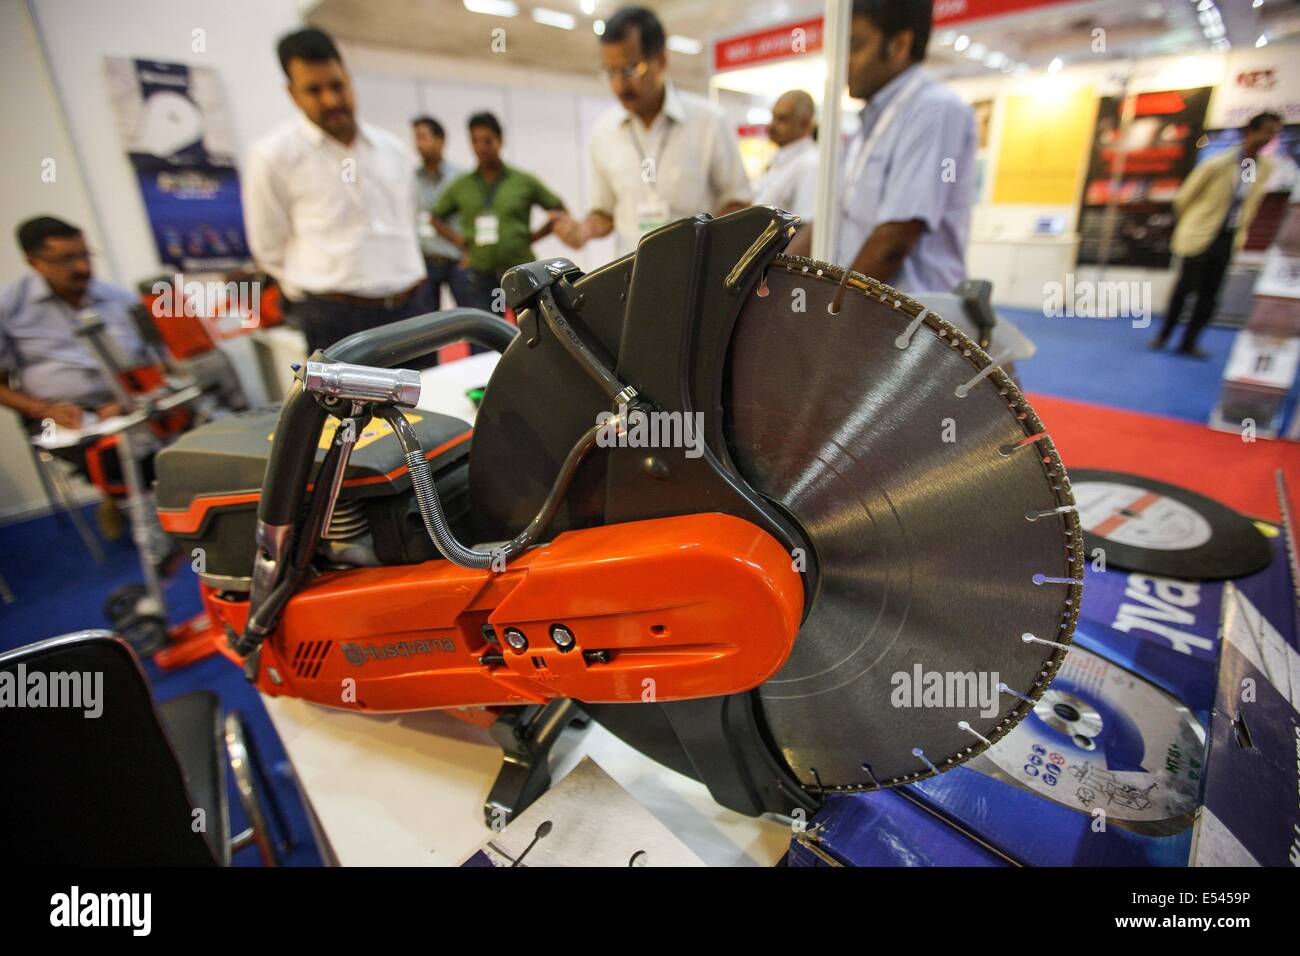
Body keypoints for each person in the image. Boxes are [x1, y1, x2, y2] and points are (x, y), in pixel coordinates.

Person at [244, 28, 428, 356]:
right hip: (336, 318)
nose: (331, 100)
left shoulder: (392, 150)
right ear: (292, 93)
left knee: (429, 403)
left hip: (410, 309)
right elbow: (268, 247)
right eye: (314, 90)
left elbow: (408, 219)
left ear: (348, 78)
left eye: (337, 85)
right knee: (346, 410)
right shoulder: (274, 157)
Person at [0, 216, 168, 551]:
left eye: (85, 255)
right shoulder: (10, 308)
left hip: (126, 400)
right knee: (115, 456)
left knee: (192, 425)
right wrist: (44, 408)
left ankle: (160, 504)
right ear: (33, 262)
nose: (81, 267)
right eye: (66, 259)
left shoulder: (116, 299)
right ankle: (147, 526)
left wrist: (129, 400)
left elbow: (155, 360)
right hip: (56, 414)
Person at [788, 0, 975, 294]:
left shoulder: (934, 110)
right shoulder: (865, 127)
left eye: (855, 45)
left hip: (911, 320)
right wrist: (774, 277)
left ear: (899, 44)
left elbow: (894, 243)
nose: (842, 61)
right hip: (868, 311)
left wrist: (831, 312)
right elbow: (829, 219)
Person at [553, 5, 752, 255]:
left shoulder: (709, 122)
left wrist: (702, 240)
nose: (618, 84)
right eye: (610, 71)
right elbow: (604, 212)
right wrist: (584, 230)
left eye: (629, 69)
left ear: (661, 60)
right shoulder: (603, 132)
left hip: (697, 275)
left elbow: (739, 202)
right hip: (630, 278)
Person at [1153, 111, 1281, 358]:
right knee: (1184, 289)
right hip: (1200, 235)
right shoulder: (1217, 163)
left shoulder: (1258, 167)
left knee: (1210, 294)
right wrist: (1193, 223)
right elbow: (1184, 199)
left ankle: (1188, 343)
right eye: (1267, 131)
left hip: (1227, 238)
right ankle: (1164, 335)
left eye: (1274, 133)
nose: (1269, 137)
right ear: (1250, 132)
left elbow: (1247, 200)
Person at [431, 112, 568, 316]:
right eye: (475, 141)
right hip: (480, 275)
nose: (481, 147)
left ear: (500, 140)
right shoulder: (462, 186)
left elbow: (558, 209)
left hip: (521, 271)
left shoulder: (522, 181)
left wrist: (533, 237)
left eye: (487, 140)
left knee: (532, 328)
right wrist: (460, 241)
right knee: (486, 333)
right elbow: (435, 218)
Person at [412, 115, 466, 311]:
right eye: (416, 138)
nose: (418, 144)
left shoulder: (459, 178)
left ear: (440, 140)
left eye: (423, 137)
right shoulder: (413, 180)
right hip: (425, 262)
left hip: (456, 261)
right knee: (427, 326)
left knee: (469, 319)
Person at [754, 90, 819, 221]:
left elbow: (806, 225)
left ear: (805, 124)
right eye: (773, 117)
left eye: (782, 119)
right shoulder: (780, 160)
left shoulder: (811, 164)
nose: (772, 126)